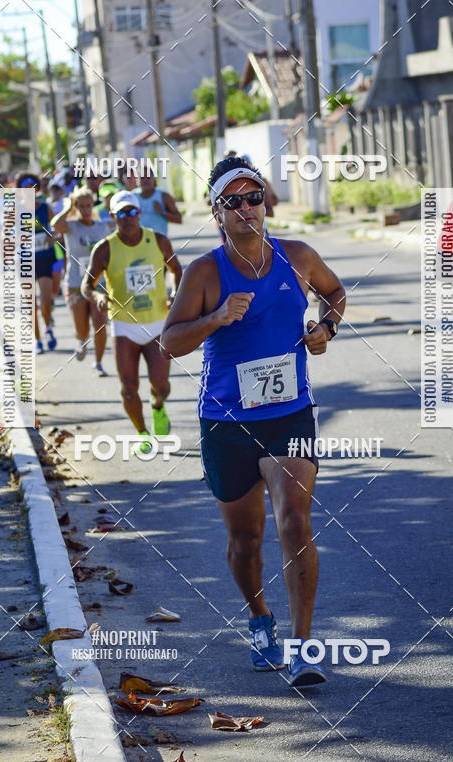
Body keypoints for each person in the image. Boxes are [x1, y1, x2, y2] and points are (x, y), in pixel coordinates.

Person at [161, 154, 346, 688]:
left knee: (295, 521)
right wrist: (216, 318)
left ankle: (303, 646)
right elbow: (170, 343)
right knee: (247, 539)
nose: (246, 209)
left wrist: (324, 328)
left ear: (267, 202)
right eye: (233, 201)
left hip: (289, 412)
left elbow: (333, 293)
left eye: (254, 197)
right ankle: (260, 618)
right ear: (216, 212)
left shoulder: (298, 256)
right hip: (227, 421)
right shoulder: (203, 272)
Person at [81, 191, 182, 453]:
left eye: (132, 212)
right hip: (124, 325)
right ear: (113, 216)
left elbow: (176, 270)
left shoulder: (158, 240)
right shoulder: (104, 248)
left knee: (161, 385)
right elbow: (85, 286)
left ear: (139, 213)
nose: (127, 218)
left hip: (157, 323)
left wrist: (174, 295)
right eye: (121, 214)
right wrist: (98, 296)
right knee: (128, 388)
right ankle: (141, 433)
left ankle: (157, 406)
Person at [52, 187, 113, 375]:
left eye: (89, 206)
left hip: (98, 284)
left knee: (100, 322)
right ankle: (81, 339)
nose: (86, 210)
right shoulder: (70, 226)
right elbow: (55, 224)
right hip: (75, 284)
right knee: (82, 329)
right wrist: (68, 206)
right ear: (76, 206)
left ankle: (99, 362)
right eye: (81, 206)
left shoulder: (101, 227)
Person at [16, 171, 57, 354]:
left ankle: (48, 327)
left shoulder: (45, 207)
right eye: (25, 188)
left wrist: (52, 237)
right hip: (25, 260)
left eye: (32, 187)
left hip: (45, 258)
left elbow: (56, 228)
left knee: (46, 301)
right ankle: (37, 340)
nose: (29, 190)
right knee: (30, 302)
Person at [136, 166, 182, 235]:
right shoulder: (133, 197)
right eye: (142, 177)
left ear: (154, 178)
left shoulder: (163, 196)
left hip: (159, 242)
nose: (145, 180)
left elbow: (179, 219)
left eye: (148, 177)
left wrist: (163, 212)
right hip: (139, 243)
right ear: (137, 180)